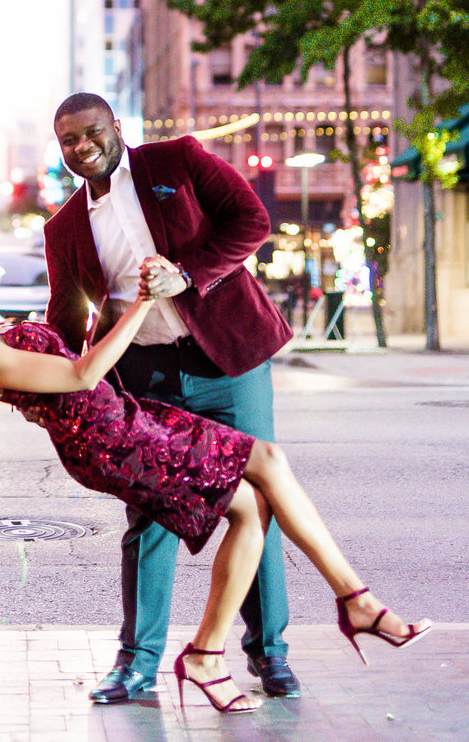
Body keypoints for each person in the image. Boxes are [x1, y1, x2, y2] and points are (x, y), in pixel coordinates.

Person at [0, 252, 431, 716]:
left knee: (252, 504)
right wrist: (145, 303)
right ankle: (352, 605)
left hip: (125, 419)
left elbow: (59, 377)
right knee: (265, 463)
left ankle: (211, 654)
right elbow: (81, 375)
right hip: (113, 444)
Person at [44, 93, 297, 702]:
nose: (82, 147)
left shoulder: (175, 163)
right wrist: (43, 377)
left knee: (256, 506)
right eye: (68, 141)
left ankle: (268, 655)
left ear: (117, 129)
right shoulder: (65, 227)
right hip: (146, 377)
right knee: (150, 512)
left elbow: (250, 222)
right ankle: (137, 663)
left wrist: (187, 272)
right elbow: (66, 313)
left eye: (91, 133)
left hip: (226, 360)